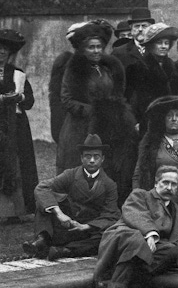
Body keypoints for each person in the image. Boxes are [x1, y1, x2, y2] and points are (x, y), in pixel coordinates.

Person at [92, 166, 178, 288]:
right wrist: (150, 233)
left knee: (175, 250)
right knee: (136, 240)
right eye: (165, 182)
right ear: (156, 183)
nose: (169, 187)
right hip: (125, 238)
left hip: (150, 250)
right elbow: (135, 214)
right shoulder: (141, 195)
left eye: (173, 184)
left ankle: (124, 279)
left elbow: (172, 239)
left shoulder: (175, 209)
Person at [58, 22, 138, 199]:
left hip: (108, 126)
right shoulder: (74, 70)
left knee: (110, 167)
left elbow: (119, 93)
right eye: (91, 47)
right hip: (80, 127)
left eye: (99, 47)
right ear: (83, 49)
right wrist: (94, 111)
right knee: (81, 168)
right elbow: (67, 99)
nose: (96, 51)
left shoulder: (109, 68)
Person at [24, 134, 120, 260]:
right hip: (67, 225)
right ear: (81, 158)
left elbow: (111, 215)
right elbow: (42, 187)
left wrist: (86, 226)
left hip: (87, 231)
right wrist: (59, 213)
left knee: (109, 237)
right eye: (87, 156)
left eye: (96, 156)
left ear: (102, 159)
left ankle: (65, 251)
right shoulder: (71, 175)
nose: (92, 160)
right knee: (45, 202)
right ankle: (42, 240)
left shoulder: (109, 185)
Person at [132, 96, 178, 229]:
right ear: (163, 119)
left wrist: (175, 201)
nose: (174, 118)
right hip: (154, 198)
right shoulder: (150, 143)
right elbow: (139, 173)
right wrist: (139, 200)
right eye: (169, 115)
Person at [0, 28, 37, 223]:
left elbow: (29, 100)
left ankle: (17, 210)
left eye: (5, 49)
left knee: (18, 163)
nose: (1, 52)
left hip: (16, 124)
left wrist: (19, 97)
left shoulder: (17, 74)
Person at [127, 24, 178, 130]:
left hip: (171, 121)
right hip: (146, 121)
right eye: (159, 43)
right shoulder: (138, 68)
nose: (163, 46)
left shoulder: (173, 67)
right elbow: (133, 99)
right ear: (150, 45)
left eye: (166, 43)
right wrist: (137, 121)